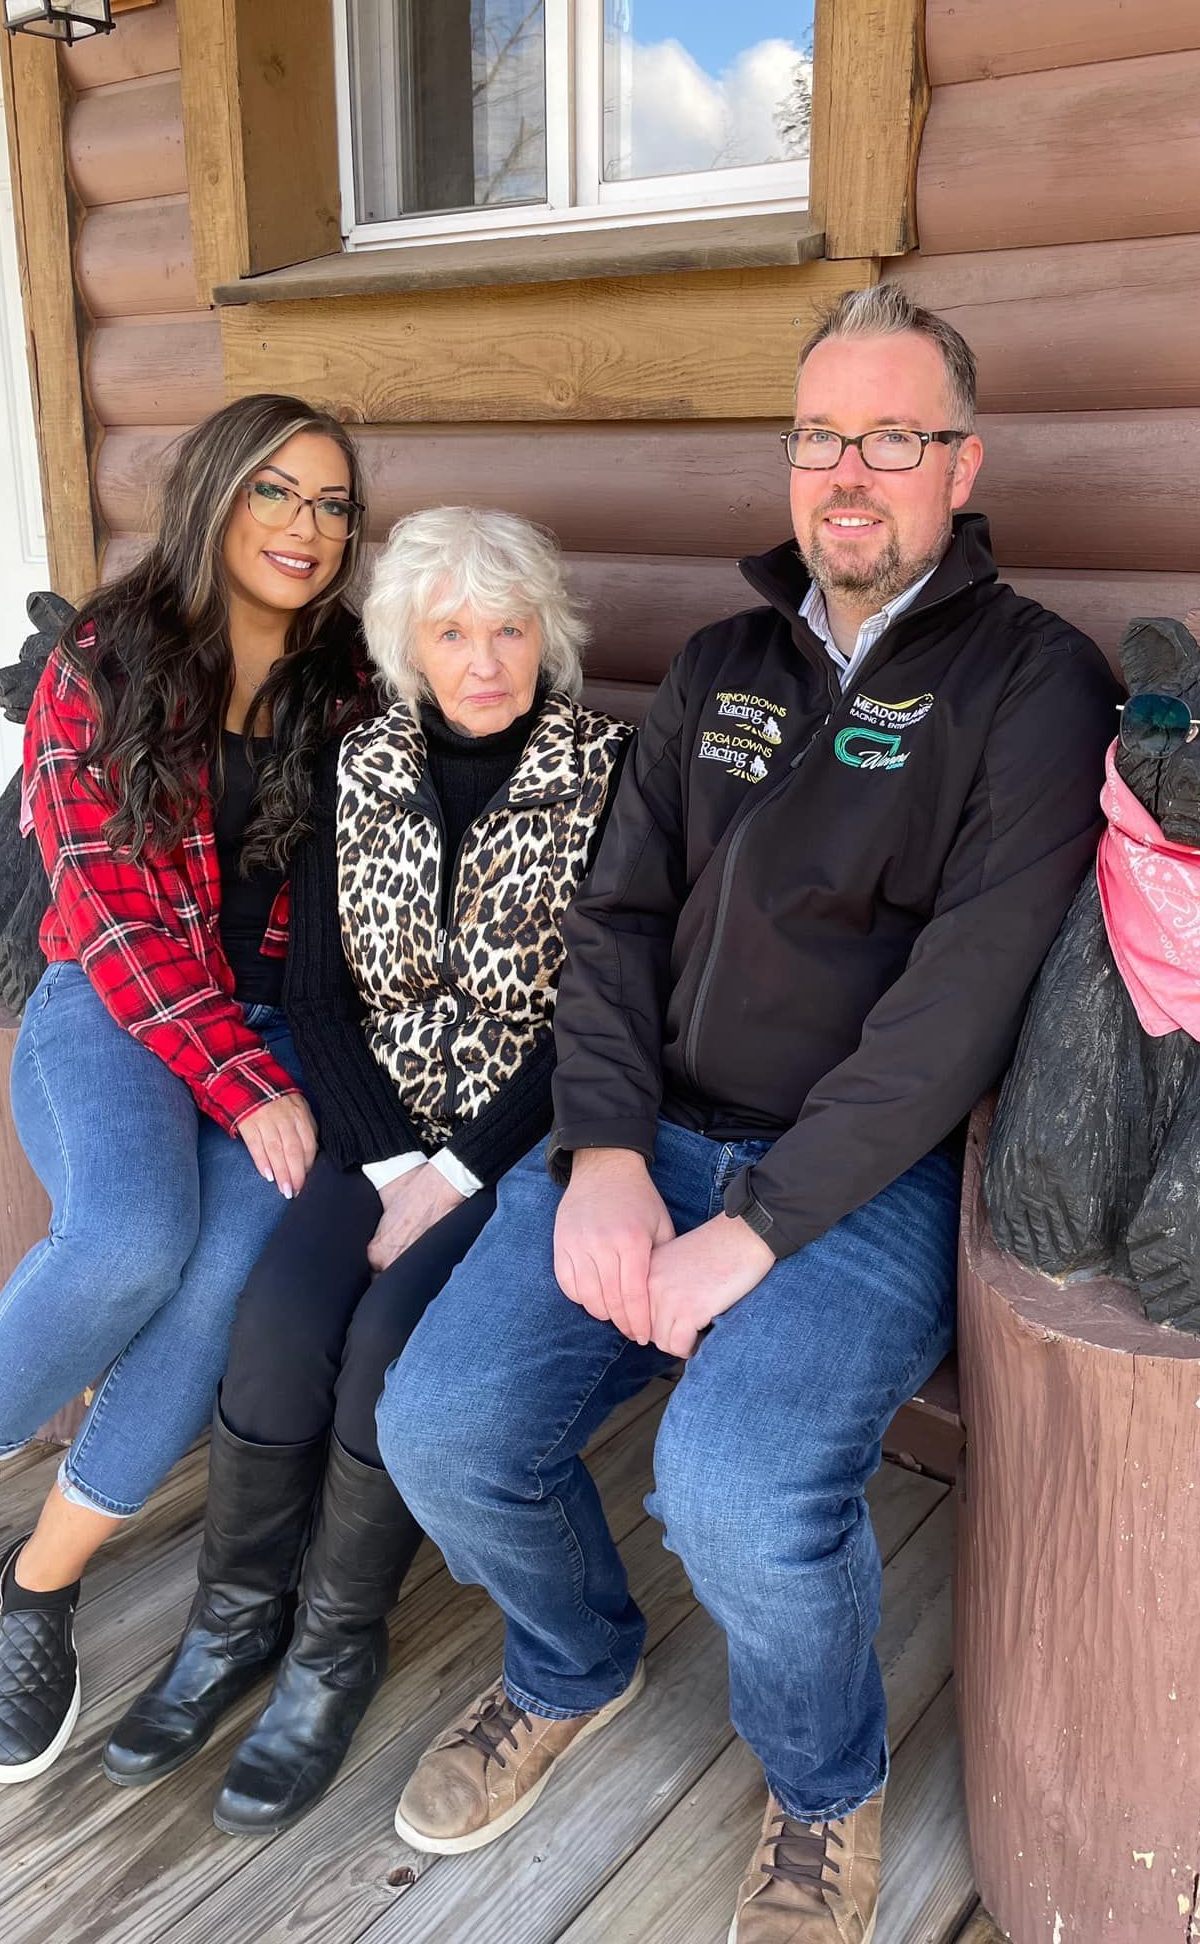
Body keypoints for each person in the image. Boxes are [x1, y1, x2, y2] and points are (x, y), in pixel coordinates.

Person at [376, 287, 1120, 1938]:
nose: (848, 471)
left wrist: (762, 1225)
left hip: (866, 1178)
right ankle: (570, 1664)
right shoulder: (723, 663)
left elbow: (964, 1002)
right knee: (442, 1426)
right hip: (651, 1131)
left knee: (731, 1486)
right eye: (818, 437)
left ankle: (823, 1788)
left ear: (960, 465)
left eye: (891, 438)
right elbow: (615, 926)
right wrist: (605, 1155)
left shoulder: (1035, 682)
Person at [104, 508, 632, 1834]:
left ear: (548, 635)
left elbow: (599, 1016)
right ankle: (235, 1622)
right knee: (281, 1321)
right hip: (375, 1123)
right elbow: (318, 998)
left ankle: (336, 1648)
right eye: (451, 632)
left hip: (515, 1143)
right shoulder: (362, 765)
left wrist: (453, 1174)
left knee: (385, 1346)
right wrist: (393, 1157)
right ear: (407, 646)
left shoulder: (610, 775)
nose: (484, 659)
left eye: (509, 628)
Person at [0, 394, 369, 1785]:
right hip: (116, 1006)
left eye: (332, 505)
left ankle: (42, 1586)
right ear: (213, 494)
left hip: (279, 1040)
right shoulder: (103, 661)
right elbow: (115, 910)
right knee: (129, 1238)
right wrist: (239, 1082)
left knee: (215, 1284)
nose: (307, 526)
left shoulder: (348, 685)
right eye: (276, 491)